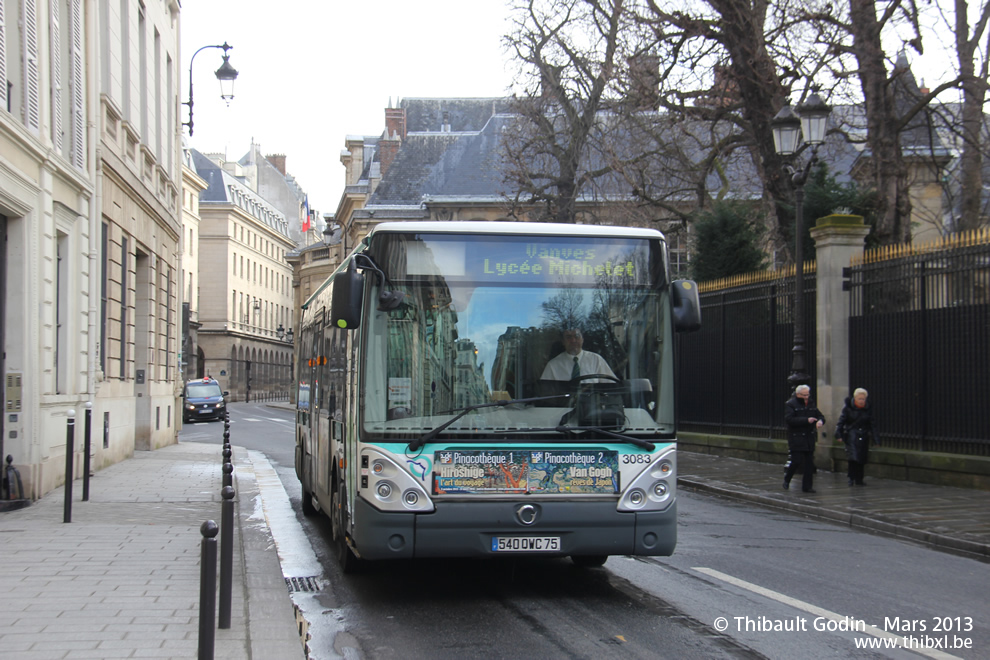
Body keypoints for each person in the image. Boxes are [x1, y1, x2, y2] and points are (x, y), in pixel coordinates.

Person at [783, 384, 825, 493]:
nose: (806, 397)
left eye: (808, 394)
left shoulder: (811, 403)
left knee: (809, 464)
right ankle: (787, 478)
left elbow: (820, 415)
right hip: (796, 437)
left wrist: (820, 421)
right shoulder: (791, 404)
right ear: (798, 394)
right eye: (804, 395)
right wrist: (806, 420)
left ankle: (807, 487)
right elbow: (790, 420)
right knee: (796, 461)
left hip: (808, 437)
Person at [540, 328, 616, 383]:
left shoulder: (596, 360)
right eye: (568, 337)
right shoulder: (553, 365)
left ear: (582, 339)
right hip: (563, 405)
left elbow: (611, 388)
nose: (573, 340)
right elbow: (545, 393)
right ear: (563, 342)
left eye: (576, 336)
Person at [835, 388, 874, 486]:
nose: (862, 401)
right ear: (855, 398)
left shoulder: (868, 409)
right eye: (860, 399)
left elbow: (872, 424)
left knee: (861, 458)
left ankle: (859, 478)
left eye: (863, 399)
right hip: (852, 435)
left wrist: (876, 438)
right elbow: (841, 421)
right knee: (853, 457)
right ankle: (851, 477)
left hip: (863, 435)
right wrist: (838, 434)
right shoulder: (848, 408)